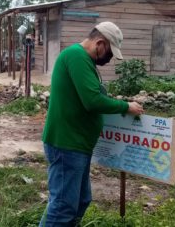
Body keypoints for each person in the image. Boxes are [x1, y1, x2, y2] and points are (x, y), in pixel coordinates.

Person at [39, 22, 144, 226]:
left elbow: (91, 96)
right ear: (100, 43)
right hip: (66, 144)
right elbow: (92, 100)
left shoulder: (84, 60)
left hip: (77, 145)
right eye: (110, 53)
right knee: (62, 207)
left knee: (80, 201)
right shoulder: (77, 57)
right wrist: (125, 106)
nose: (110, 58)